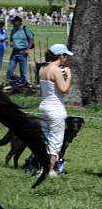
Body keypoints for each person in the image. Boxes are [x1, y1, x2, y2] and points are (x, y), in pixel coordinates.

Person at [38, 44, 73, 177]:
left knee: (46, 138)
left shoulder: (42, 68)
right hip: (55, 109)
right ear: (60, 55)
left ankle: (42, 167)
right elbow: (64, 90)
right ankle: (49, 170)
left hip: (44, 107)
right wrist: (68, 77)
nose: (66, 58)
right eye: (65, 55)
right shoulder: (57, 70)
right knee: (55, 141)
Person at [6, 16, 34, 86]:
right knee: (10, 69)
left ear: (19, 22)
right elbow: (11, 38)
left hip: (23, 52)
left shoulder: (25, 29)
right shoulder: (13, 30)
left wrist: (27, 49)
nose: (13, 23)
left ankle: (25, 84)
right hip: (14, 52)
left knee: (23, 71)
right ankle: (9, 82)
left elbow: (31, 40)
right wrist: (11, 42)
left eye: (14, 22)